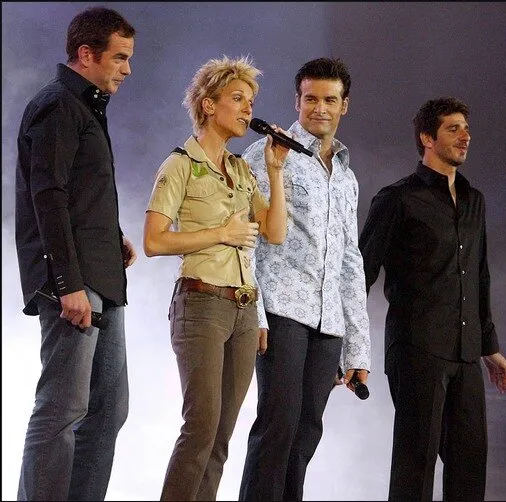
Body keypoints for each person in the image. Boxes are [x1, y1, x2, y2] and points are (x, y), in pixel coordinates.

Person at [142, 55, 290, 500]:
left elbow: (275, 232)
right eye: (238, 99)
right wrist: (220, 233)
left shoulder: (242, 169)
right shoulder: (180, 164)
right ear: (209, 105)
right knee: (201, 427)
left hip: (243, 309)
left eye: (251, 101)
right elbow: (153, 241)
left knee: (222, 435)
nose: (248, 109)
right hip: (201, 303)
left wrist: (275, 170)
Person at [359, 97, 506, 501]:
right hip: (417, 349)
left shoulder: (474, 200)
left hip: (465, 353)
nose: (465, 136)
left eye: (466, 128)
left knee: (469, 466)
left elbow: (479, 276)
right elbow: (361, 273)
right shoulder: (397, 199)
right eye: (453, 128)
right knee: (415, 466)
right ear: (427, 138)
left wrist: (489, 346)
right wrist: (351, 346)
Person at [13, 7, 136, 501]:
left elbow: (79, 190)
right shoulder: (58, 105)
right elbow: (48, 195)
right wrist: (67, 284)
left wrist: (112, 235)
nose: (127, 69)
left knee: (108, 409)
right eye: (119, 57)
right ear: (86, 54)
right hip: (76, 284)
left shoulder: (85, 106)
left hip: (101, 276)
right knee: (62, 410)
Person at [238, 57, 371, 501]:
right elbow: (247, 239)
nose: (319, 108)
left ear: (344, 105)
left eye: (330, 100)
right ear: (297, 101)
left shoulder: (347, 176)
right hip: (280, 310)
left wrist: (357, 347)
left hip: (328, 323)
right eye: (310, 99)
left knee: (306, 434)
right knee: (276, 427)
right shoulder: (267, 154)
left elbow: (350, 260)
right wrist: (255, 313)